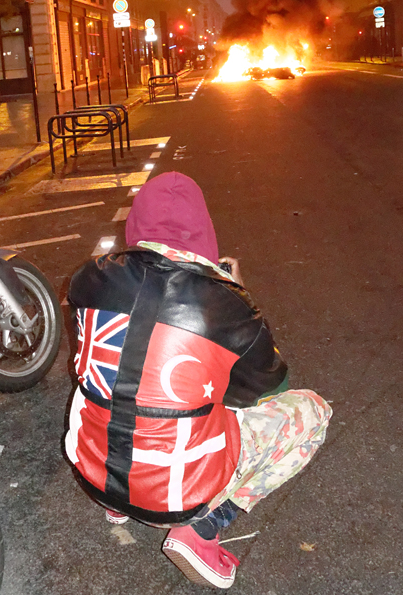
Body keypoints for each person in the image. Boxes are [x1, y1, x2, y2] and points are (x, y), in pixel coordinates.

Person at [65, 172, 331, 589]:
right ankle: (206, 527)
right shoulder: (226, 303)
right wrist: (237, 295)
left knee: (112, 373)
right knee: (311, 410)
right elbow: (269, 387)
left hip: (93, 473)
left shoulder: (88, 278)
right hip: (174, 494)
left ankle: (118, 503)